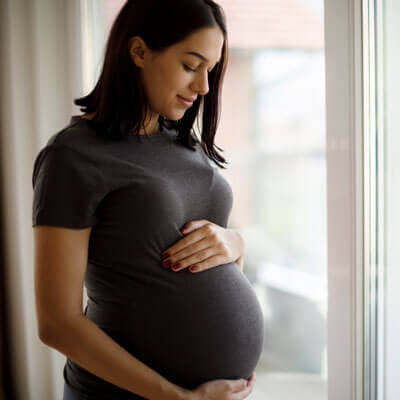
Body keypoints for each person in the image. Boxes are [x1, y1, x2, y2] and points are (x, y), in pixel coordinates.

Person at [32, 0, 264, 399]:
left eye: (211, 70)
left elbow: (209, 252)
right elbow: (57, 323)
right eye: (191, 66)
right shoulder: (73, 156)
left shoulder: (187, 147)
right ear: (139, 51)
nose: (204, 87)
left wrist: (234, 242)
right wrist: (177, 397)